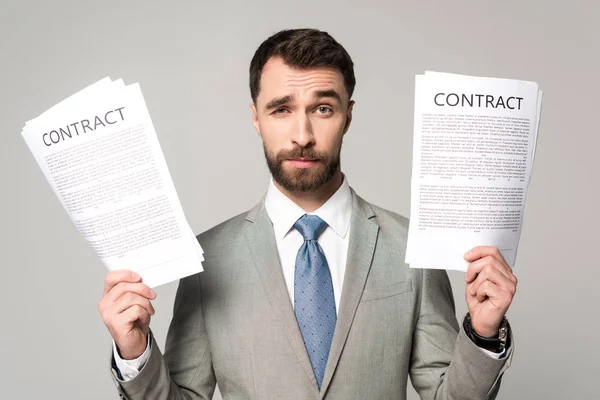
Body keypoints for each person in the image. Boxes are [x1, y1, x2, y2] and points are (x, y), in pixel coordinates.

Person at [99, 28, 517, 400]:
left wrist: (481, 333)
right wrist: (135, 353)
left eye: (322, 109)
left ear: (348, 116)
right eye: (281, 109)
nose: (302, 136)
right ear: (256, 119)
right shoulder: (207, 259)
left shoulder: (410, 248)